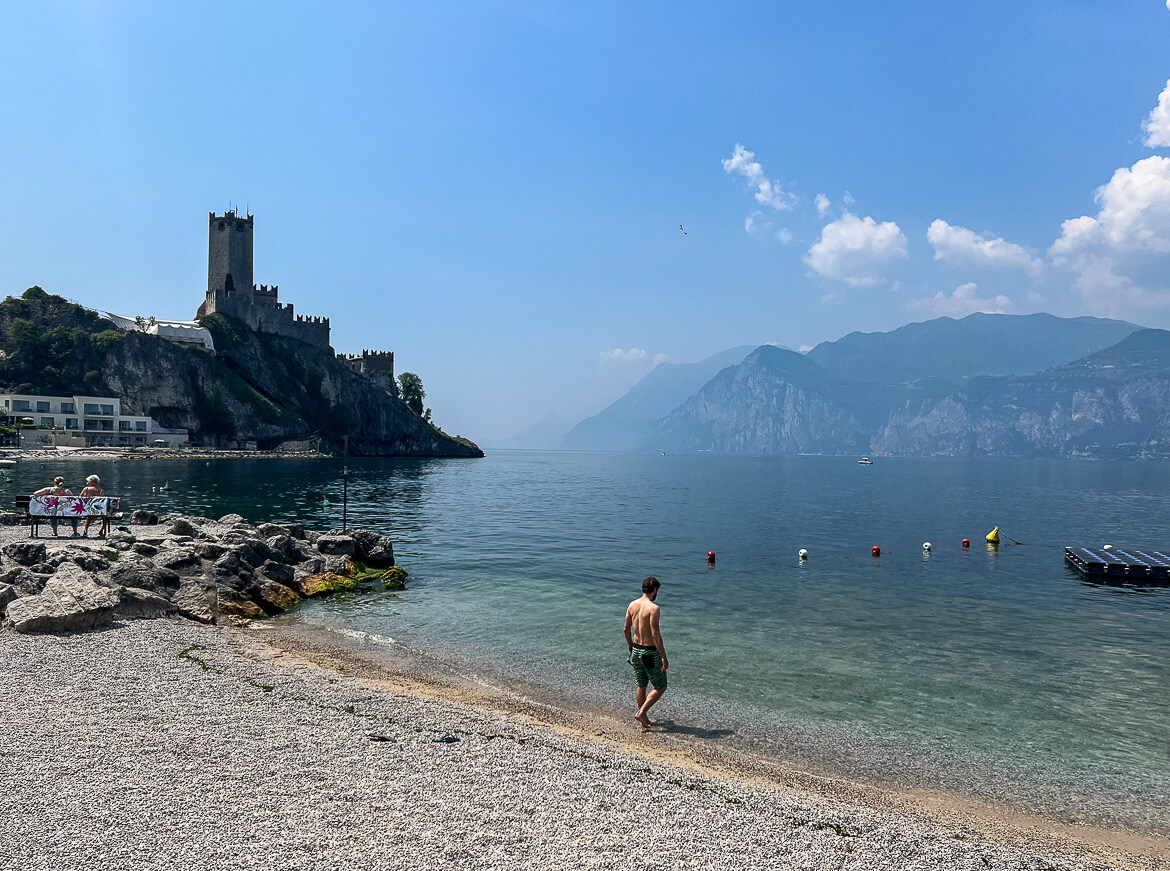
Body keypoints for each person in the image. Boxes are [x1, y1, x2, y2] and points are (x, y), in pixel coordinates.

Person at [624, 576, 669, 731]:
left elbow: (625, 628)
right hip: (649, 652)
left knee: (641, 685)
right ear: (655, 590)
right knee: (661, 685)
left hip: (636, 650)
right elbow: (655, 633)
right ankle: (642, 712)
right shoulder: (653, 608)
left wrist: (630, 645)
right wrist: (663, 656)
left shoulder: (632, 605)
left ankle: (644, 717)